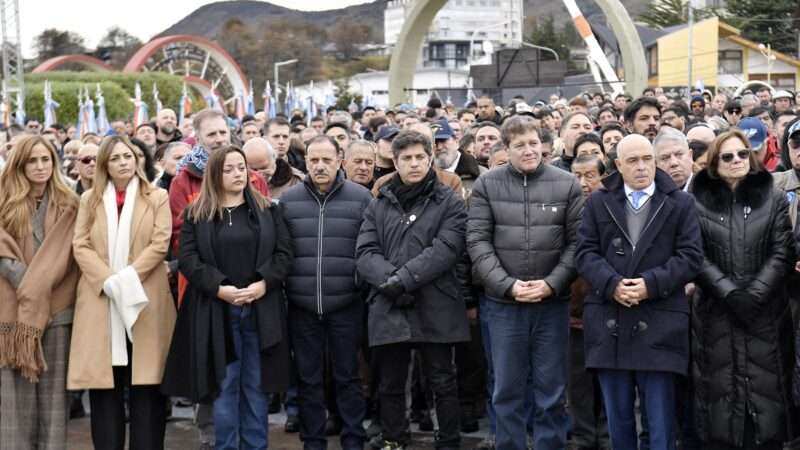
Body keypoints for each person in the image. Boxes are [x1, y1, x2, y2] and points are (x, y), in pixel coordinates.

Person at [575, 134, 703, 450]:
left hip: (660, 321)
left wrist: (650, 285)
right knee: (618, 423)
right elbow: (585, 253)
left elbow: (690, 257)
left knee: (661, 424)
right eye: (633, 161)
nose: (642, 167)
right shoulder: (598, 201)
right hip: (610, 320)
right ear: (618, 165)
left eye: (647, 159)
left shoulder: (681, 202)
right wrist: (612, 284)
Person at [162, 146, 293, 449]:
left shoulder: (269, 210)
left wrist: (264, 283)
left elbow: (284, 254)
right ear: (214, 174)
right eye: (229, 169)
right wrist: (219, 288)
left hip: (260, 310)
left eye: (241, 167)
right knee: (224, 387)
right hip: (216, 312)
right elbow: (188, 259)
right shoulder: (196, 214)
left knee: (256, 387)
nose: (238, 174)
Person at [467, 116, 584, 450]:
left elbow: (577, 243)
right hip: (504, 306)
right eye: (520, 145)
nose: (529, 150)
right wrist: (508, 286)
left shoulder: (567, 184)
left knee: (551, 391)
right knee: (506, 391)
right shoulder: (487, 185)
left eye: (533, 143)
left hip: (552, 304)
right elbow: (477, 242)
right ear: (506, 149)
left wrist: (552, 283)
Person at [357, 130, 470, 450]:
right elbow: (365, 253)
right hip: (390, 303)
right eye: (406, 158)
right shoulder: (379, 202)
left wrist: (402, 280)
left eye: (420, 157)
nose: (414, 163)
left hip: (437, 302)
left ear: (430, 158)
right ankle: (395, 439)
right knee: (390, 382)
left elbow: (446, 248)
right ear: (395, 162)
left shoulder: (449, 200)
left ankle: (448, 441)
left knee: (442, 381)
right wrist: (391, 281)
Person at [690, 130, 797, 449]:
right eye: (728, 156)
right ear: (714, 163)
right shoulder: (695, 202)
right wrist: (730, 294)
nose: (737, 160)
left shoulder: (773, 197)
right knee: (722, 403)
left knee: (768, 401)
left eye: (742, 153)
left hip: (766, 314)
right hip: (716, 314)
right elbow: (695, 255)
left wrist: (754, 295)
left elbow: (783, 251)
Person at [69, 135, 176, 450]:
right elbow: (80, 244)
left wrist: (126, 279)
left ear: (137, 159)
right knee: (105, 388)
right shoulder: (89, 199)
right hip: (101, 299)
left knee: (147, 386)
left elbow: (160, 242)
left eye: (127, 156)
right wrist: (108, 281)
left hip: (145, 299)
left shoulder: (157, 196)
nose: (123, 162)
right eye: (115, 158)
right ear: (105, 164)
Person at [281, 135, 372, 450]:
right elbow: (282, 251)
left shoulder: (361, 198)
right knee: (308, 379)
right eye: (314, 160)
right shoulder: (289, 201)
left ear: (339, 161)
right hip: (302, 305)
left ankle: (353, 439)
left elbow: (370, 246)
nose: (320, 166)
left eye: (326, 160)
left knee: (348, 376)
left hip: (347, 303)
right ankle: (313, 441)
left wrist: (357, 281)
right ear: (306, 161)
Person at [0, 135, 80, 450]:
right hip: (11, 312)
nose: (40, 166)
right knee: (13, 401)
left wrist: (35, 286)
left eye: (45, 159)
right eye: (32, 160)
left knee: (54, 400)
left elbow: (69, 255)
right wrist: (27, 282)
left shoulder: (70, 203)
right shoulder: (3, 200)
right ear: (20, 164)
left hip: (58, 307)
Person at [568, 154, 611, 450]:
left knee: (609, 378)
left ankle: (608, 436)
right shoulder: (565, 209)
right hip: (573, 310)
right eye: (577, 176)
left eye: (590, 176)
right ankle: (583, 436)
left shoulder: (613, 208)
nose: (583, 183)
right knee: (578, 381)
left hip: (609, 306)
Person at [433, 119, 485, 198]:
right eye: (434, 142)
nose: (439, 147)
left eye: (443, 141)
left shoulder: (481, 174)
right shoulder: (422, 175)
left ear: (456, 142)